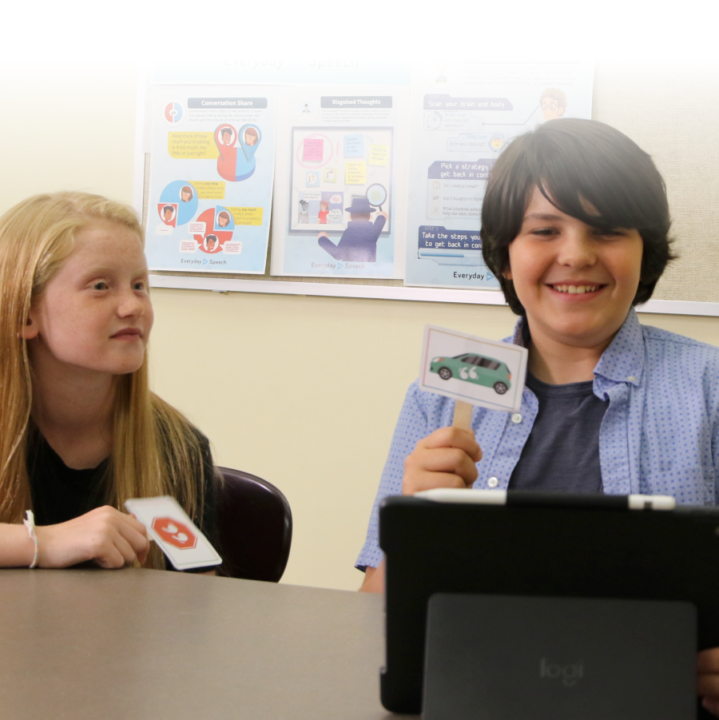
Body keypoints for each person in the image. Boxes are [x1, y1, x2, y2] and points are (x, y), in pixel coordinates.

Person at [355, 119, 719, 713]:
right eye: (544, 230)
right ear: (505, 255)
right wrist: (415, 531)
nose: (575, 255)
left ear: (644, 249)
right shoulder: (439, 398)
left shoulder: (711, 388)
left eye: (606, 230)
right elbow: (370, 618)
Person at [0, 192, 218, 572]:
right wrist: (44, 543)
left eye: (139, 285)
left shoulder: (178, 447)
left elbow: (195, 602)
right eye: (100, 286)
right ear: (24, 316)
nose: (133, 306)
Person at [318, 197, 387, 262]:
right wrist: (382, 216)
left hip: (351, 271)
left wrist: (322, 238)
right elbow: (379, 225)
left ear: (350, 216)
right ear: (370, 217)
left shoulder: (349, 232)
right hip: (368, 272)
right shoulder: (372, 233)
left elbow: (338, 254)